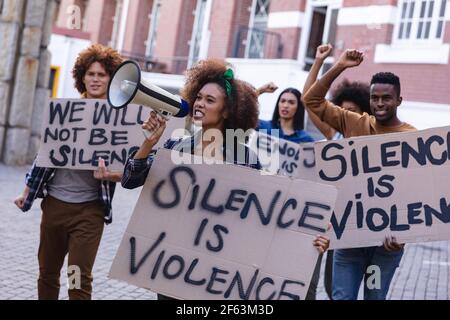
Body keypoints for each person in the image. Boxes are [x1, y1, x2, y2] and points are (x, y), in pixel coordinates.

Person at [121, 59, 330, 300]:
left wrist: (307, 234)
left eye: (210, 100)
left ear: (228, 110)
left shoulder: (246, 158)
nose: (199, 104)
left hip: (215, 272)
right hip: (173, 263)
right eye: (198, 97)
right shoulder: (176, 146)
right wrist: (148, 142)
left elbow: (263, 216)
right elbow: (129, 179)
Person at [302, 48, 416, 300]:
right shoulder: (355, 123)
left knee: (374, 298)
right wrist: (339, 65)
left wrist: (404, 237)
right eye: (375, 97)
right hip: (350, 243)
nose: (380, 103)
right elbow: (311, 101)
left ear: (399, 100)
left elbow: (416, 194)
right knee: (342, 298)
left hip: (385, 249)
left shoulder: (413, 139)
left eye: (387, 98)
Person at [14, 44, 124, 300]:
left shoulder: (119, 121)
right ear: (82, 77)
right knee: (48, 274)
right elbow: (44, 158)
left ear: (111, 79)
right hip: (54, 208)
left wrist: (112, 174)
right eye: (91, 74)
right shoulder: (65, 114)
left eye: (102, 75)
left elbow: (129, 170)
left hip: (88, 213)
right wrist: (26, 191)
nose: (96, 79)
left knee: (77, 279)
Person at [302, 44, 371, 299]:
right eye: (341, 111)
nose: (344, 115)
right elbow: (308, 99)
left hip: (351, 222)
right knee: (308, 276)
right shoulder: (334, 134)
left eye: (351, 112)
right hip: (325, 217)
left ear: (364, 114)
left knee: (336, 287)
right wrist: (319, 62)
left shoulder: (371, 140)